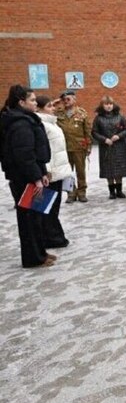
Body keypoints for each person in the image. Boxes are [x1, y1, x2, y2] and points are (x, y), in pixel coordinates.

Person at [0, 85, 54, 267]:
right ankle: (34, 258)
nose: (35, 102)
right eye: (32, 100)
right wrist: (36, 178)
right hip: (24, 178)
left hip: (31, 174)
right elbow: (25, 156)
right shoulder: (20, 124)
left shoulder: (26, 119)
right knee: (29, 219)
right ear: (21, 102)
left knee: (36, 216)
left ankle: (40, 252)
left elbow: (34, 153)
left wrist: (42, 172)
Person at [35, 95, 72, 248]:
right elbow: (43, 149)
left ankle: (53, 236)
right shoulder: (41, 124)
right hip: (50, 172)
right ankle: (50, 238)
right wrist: (47, 170)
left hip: (58, 170)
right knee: (46, 207)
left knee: (53, 206)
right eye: (49, 106)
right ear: (39, 108)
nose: (54, 108)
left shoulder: (51, 123)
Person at [91, 96, 126, 199]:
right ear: (102, 105)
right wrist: (104, 139)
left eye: (110, 104)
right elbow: (94, 132)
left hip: (119, 146)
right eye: (106, 104)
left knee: (119, 169)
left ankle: (119, 190)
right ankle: (111, 192)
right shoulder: (98, 118)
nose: (109, 106)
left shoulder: (120, 116)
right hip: (106, 148)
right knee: (108, 170)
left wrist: (119, 136)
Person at [56, 90, 91, 202]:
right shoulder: (58, 114)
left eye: (68, 99)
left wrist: (89, 146)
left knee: (80, 171)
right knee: (67, 173)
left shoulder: (82, 113)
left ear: (74, 100)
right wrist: (55, 103)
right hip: (64, 148)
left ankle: (82, 192)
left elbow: (87, 131)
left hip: (79, 147)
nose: (66, 101)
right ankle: (71, 193)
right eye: (64, 100)